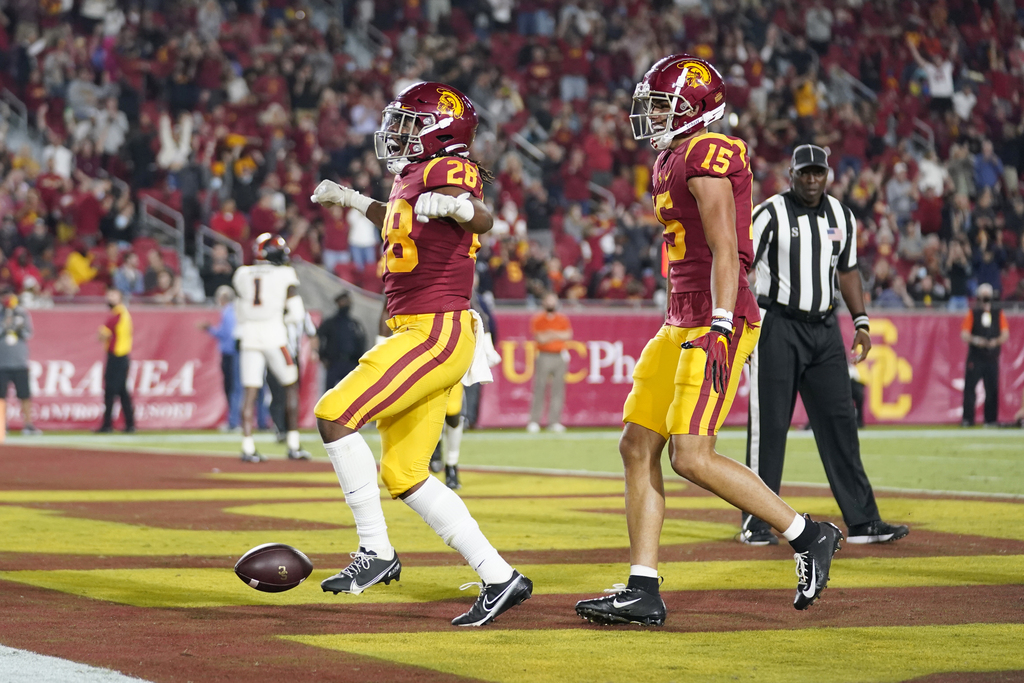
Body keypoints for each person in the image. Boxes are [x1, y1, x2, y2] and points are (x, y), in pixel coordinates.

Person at [575, 55, 842, 628]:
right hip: (682, 316)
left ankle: (807, 534)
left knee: (691, 456)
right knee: (636, 444)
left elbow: (726, 247)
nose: (650, 116)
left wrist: (721, 324)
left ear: (697, 107)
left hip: (716, 319)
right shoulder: (673, 154)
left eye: (662, 104)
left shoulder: (704, 151)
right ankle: (643, 588)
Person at [309, 81, 532, 627]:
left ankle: (376, 553)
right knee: (405, 472)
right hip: (423, 329)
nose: (398, 131)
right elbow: (399, 222)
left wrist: (460, 206)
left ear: (439, 129)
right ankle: (500, 576)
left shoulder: (449, 169)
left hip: (435, 330)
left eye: (410, 122)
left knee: (333, 414)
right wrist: (355, 200)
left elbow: (481, 216)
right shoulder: (414, 176)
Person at [741, 144, 909, 548]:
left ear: (828, 174)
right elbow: (739, 265)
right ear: (791, 173)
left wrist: (862, 322)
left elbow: (847, 271)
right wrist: (740, 322)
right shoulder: (768, 214)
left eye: (819, 173)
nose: (812, 180)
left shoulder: (841, 216)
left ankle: (864, 521)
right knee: (770, 428)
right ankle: (756, 522)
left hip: (824, 327)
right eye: (805, 173)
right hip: (777, 325)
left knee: (840, 422)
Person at [231, 233, 311, 462]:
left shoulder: (242, 274)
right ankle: (293, 444)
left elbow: (240, 305)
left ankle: (247, 447)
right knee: (290, 385)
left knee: (250, 391)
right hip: (275, 336)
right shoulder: (285, 273)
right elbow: (296, 313)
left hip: (249, 336)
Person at [961, 283, 1009, 426]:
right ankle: (968, 419)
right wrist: (977, 340)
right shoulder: (973, 313)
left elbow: (1005, 333)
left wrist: (995, 342)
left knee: (992, 389)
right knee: (970, 388)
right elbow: (964, 334)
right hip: (976, 356)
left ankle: (990, 420)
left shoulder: (997, 312)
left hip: (992, 357)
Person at [527, 291, 572, 433]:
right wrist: (556, 335)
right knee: (539, 388)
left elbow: (568, 334)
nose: (551, 303)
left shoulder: (562, 319)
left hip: (559, 355)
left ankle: (554, 421)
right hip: (544, 355)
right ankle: (534, 421)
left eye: (553, 300)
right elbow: (540, 337)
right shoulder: (538, 319)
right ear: (544, 302)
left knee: (558, 390)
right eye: (549, 300)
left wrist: (550, 334)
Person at [199, 286, 241, 431]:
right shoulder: (234, 311)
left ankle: (233, 422)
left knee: (232, 388)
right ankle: (234, 421)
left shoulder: (228, 312)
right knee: (234, 388)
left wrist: (209, 329)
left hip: (231, 353)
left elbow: (227, 334)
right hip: (234, 352)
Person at [0, 294, 42, 435]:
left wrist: (18, 326)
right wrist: (5, 324)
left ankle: (28, 425)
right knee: (1, 397)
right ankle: (2, 425)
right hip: (2, 363)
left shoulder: (22, 313)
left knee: (24, 395)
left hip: (19, 362)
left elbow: (28, 333)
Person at [96, 287, 135, 433]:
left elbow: (102, 335)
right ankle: (129, 424)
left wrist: (101, 334)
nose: (109, 298)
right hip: (121, 356)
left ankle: (107, 424)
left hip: (117, 356)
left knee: (111, 391)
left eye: (112, 295)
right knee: (122, 391)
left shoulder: (117, 315)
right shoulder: (121, 313)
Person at [317, 291, 366, 392]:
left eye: (347, 302)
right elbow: (318, 337)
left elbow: (361, 342)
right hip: (334, 363)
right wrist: (322, 356)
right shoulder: (331, 322)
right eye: (343, 301)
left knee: (350, 394)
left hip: (350, 364)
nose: (346, 304)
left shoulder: (354, 324)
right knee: (329, 395)